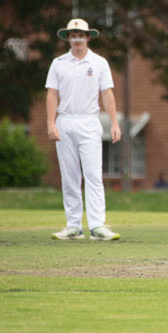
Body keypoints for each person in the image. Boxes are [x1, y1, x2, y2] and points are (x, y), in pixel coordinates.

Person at [46, 18, 122, 241]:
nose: (77, 39)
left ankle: (97, 225)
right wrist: (51, 123)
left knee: (93, 175)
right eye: (73, 35)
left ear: (88, 37)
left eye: (81, 35)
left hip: (89, 121)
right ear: (68, 38)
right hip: (65, 120)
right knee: (70, 176)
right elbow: (52, 93)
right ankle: (73, 226)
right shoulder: (58, 63)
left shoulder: (99, 63)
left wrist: (114, 123)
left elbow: (107, 93)